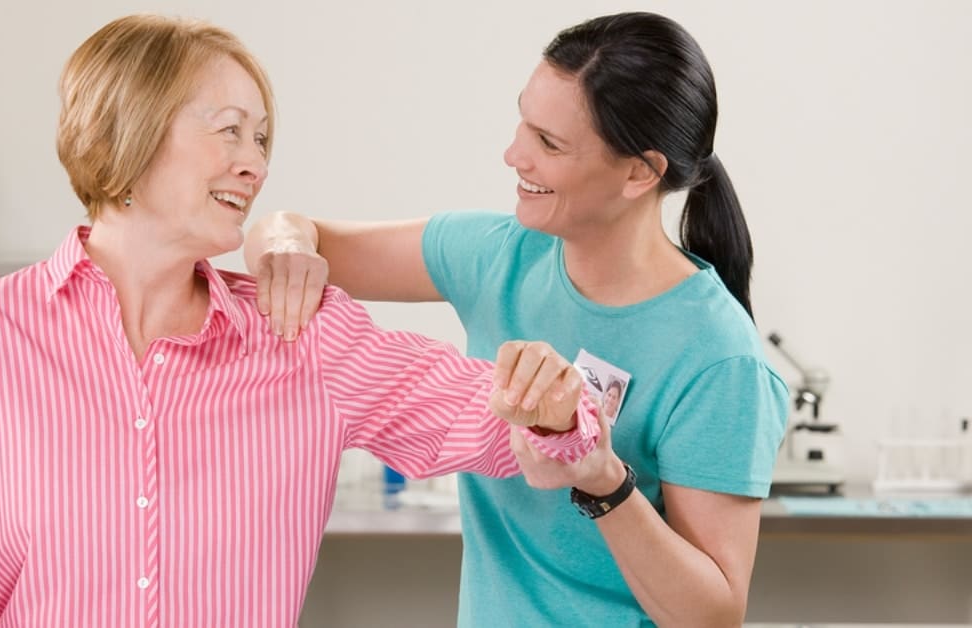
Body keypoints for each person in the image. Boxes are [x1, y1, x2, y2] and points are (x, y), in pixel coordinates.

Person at [0, 14, 600, 628]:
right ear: (131, 128)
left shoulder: (299, 333)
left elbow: (499, 421)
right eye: (230, 130)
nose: (255, 163)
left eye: (263, 138)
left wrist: (551, 402)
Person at [245, 11, 790, 627]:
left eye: (549, 143)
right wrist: (283, 249)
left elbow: (712, 615)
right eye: (524, 123)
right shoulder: (501, 257)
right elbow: (298, 231)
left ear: (641, 171)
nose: (513, 155)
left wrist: (601, 479)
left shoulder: (718, 356)